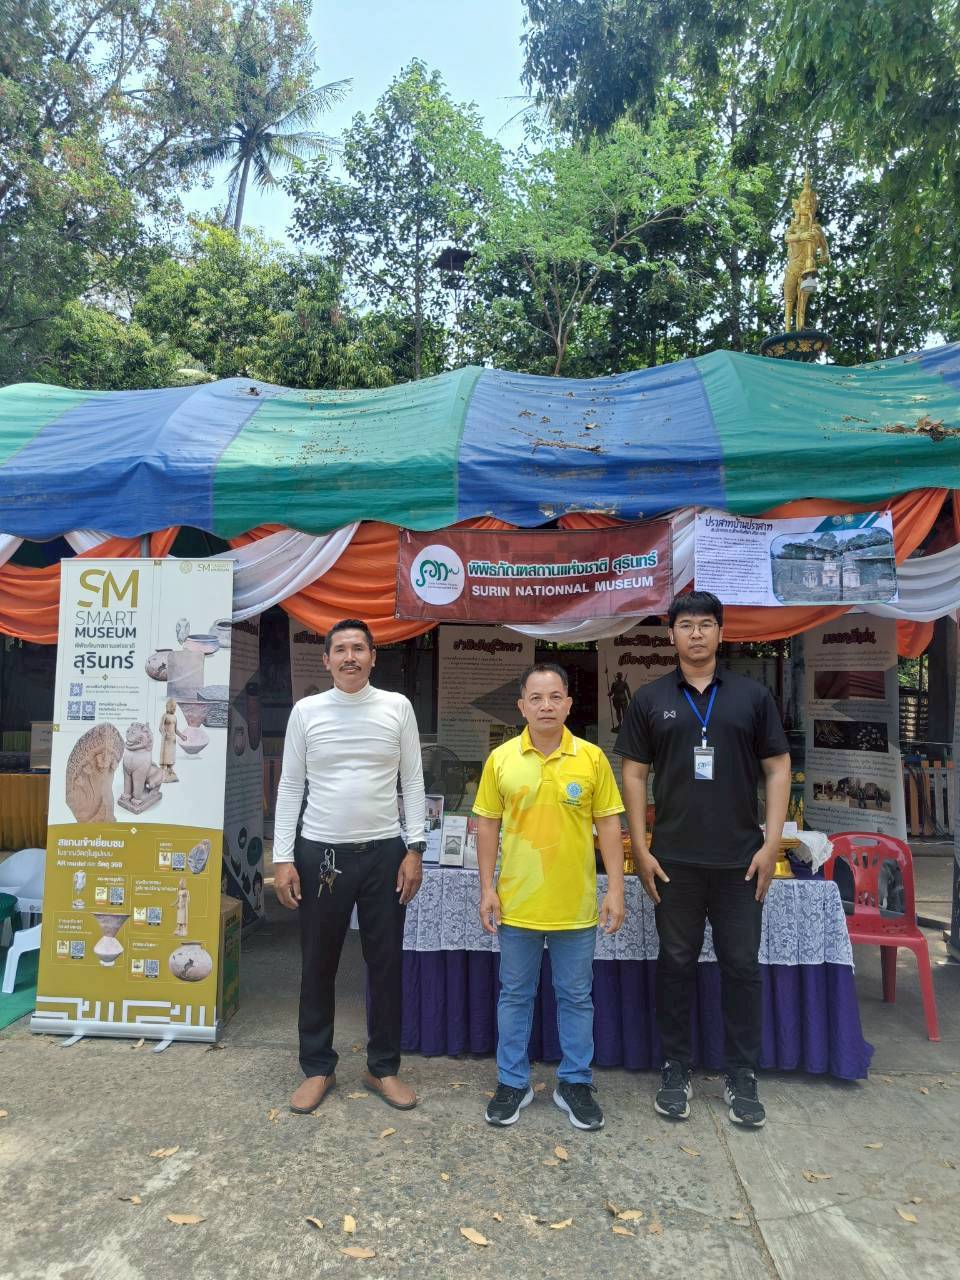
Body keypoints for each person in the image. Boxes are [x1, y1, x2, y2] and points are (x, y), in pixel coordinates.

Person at [616, 591, 791, 1129]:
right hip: (673, 862)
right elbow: (634, 774)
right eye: (686, 625)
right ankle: (675, 1068)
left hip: (742, 861)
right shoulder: (650, 699)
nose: (696, 634)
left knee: (742, 966)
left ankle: (742, 1073)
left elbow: (778, 767)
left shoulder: (752, 696)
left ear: (721, 632)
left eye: (706, 625)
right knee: (675, 965)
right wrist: (641, 846)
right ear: (671, 634)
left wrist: (771, 843)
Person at [273, 619, 427, 1114]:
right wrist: (282, 858)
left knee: (386, 964)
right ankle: (318, 1067)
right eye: (340, 649)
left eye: (359, 648)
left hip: (385, 853)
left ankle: (383, 1067)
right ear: (326, 660)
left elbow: (413, 781)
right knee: (318, 963)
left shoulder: (396, 708)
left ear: (373, 657)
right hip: (321, 854)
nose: (350, 657)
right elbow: (290, 786)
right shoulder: (307, 711)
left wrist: (415, 848)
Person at [474, 662, 626, 1132]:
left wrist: (615, 888)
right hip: (517, 905)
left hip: (575, 907)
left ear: (568, 704)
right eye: (536, 698)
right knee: (515, 996)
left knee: (576, 997)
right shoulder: (501, 760)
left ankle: (575, 1082)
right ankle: (512, 1082)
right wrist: (486, 888)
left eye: (555, 696)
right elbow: (487, 825)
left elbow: (608, 825)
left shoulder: (592, 759)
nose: (546, 706)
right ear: (521, 706)